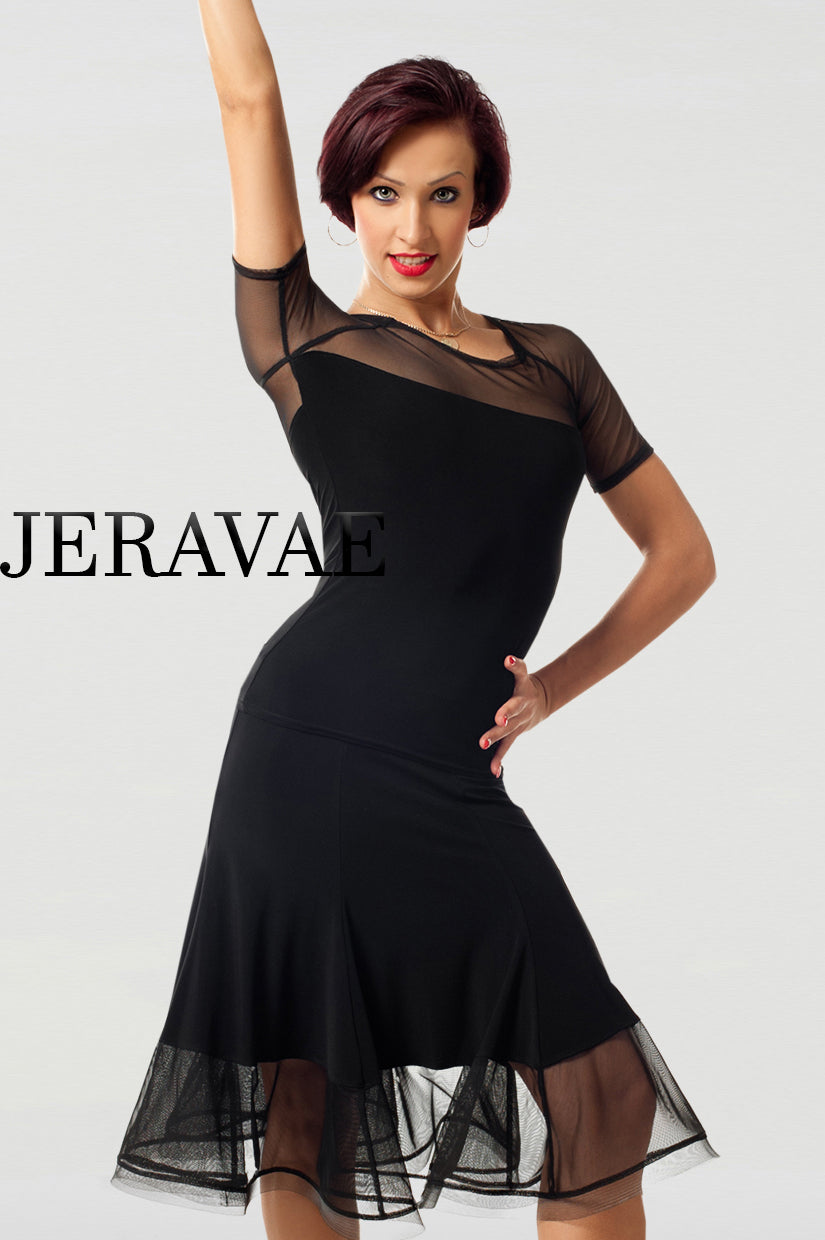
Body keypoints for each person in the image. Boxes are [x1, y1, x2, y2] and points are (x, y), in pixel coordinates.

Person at [110, 4, 720, 1238]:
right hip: (307, 756)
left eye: (444, 194)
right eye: (384, 192)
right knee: (306, 1110)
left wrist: (551, 686)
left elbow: (683, 555)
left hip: (451, 778)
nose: (412, 227)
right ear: (346, 198)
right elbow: (246, 98)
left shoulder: (554, 366)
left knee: (600, 1106)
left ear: (482, 201)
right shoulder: (307, 340)